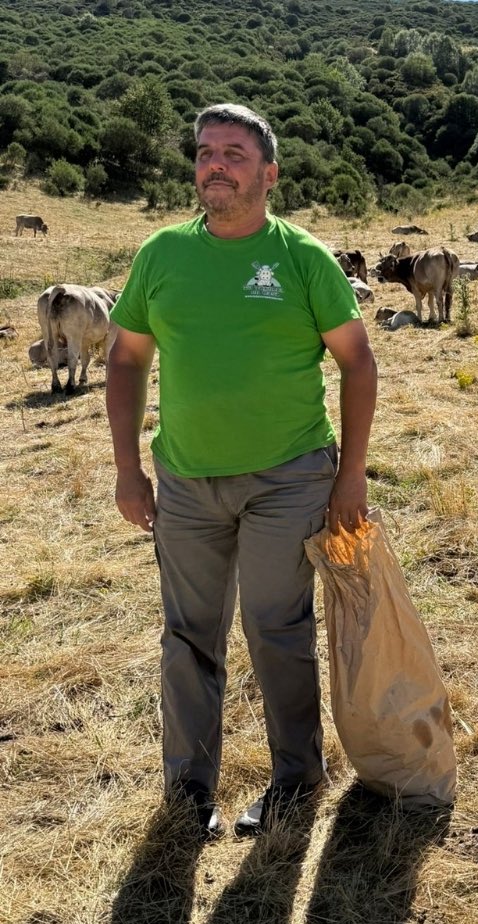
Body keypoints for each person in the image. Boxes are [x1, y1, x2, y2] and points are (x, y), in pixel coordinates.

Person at [106, 103, 377, 839]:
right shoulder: (162, 254)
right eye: (204, 152)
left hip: (289, 477)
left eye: (233, 153)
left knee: (276, 627)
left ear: (269, 174)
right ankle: (189, 789)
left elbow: (357, 363)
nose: (215, 165)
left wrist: (350, 476)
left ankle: (296, 777)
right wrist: (128, 468)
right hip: (186, 479)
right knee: (189, 635)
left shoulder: (302, 258)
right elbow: (126, 359)